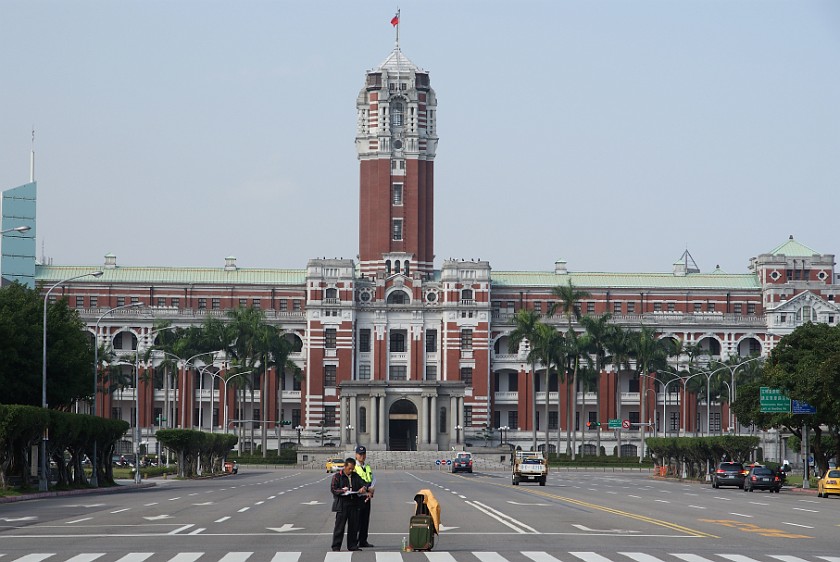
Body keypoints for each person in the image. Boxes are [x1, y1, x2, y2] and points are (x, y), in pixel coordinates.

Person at [330, 458, 367, 551]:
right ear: (345, 466)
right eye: (349, 468)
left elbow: (364, 483)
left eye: (352, 469)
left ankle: (352, 545)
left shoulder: (355, 476)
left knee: (353, 526)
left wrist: (363, 488)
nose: (351, 470)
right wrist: (343, 490)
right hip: (342, 503)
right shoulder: (337, 476)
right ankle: (336, 546)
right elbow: (333, 489)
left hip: (353, 503)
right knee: (339, 526)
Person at [354, 445, 376, 548]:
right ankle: (355, 541)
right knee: (357, 520)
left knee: (365, 519)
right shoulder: (354, 467)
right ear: (356, 455)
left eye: (363, 454)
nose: (362, 456)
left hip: (367, 497)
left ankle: (363, 540)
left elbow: (372, 479)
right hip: (358, 497)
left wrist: (371, 491)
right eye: (360, 454)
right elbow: (354, 483)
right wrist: (367, 489)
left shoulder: (367, 467)